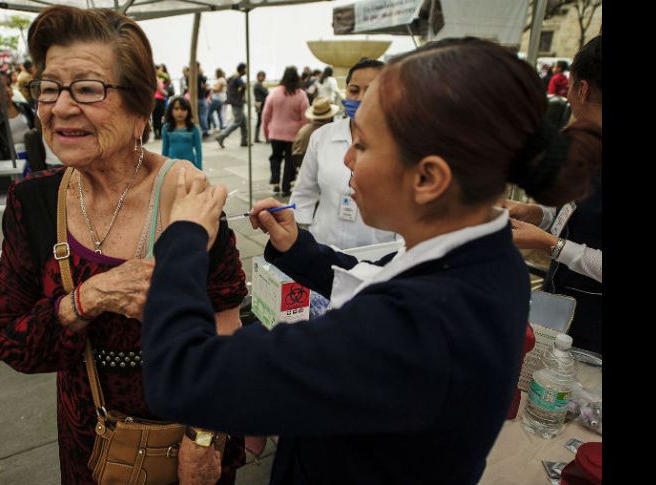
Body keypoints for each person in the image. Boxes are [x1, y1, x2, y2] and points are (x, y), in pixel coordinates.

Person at [139, 37, 602, 484]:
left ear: (427, 177)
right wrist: (299, 250)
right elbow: (379, 279)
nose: (346, 159)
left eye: (361, 144)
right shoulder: (484, 252)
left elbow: (182, 376)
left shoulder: (415, 330)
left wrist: (183, 237)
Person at [0, 6, 248, 485]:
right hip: (90, 444)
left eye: (87, 89)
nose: (60, 107)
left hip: (189, 442)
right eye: (49, 88)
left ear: (141, 106)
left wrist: (206, 439)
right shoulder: (33, 202)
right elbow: (9, 341)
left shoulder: (185, 196)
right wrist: (90, 298)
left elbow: (225, 331)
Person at [506, 35, 602, 353]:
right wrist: (538, 214)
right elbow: (575, 212)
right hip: (559, 316)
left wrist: (550, 244)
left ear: (581, 89)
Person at [290, 58, 399, 249]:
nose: (360, 98)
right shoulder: (322, 136)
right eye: (354, 90)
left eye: (371, 90)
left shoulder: (404, 143)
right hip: (324, 245)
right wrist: (302, 239)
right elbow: (304, 192)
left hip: (378, 252)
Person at [261, 66, 309, 196]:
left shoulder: (274, 93)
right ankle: (286, 187)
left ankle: (275, 181)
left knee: (275, 157)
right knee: (290, 161)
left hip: (275, 133)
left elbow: (266, 115)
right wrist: (303, 136)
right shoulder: (301, 95)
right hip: (293, 135)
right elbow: (306, 118)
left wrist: (266, 133)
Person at [0, 70, 36, 161]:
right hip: (9, 160)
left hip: (33, 156)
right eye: (1, 86)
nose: (7, 90)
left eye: (8, 85)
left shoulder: (24, 107)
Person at [290, 96, 337, 173]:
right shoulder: (332, 131)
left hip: (304, 168)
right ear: (329, 116)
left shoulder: (303, 130)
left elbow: (295, 151)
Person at [162, 96, 203, 170]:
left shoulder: (194, 128)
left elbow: (198, 151)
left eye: (183, 109)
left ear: (188, 111)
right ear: (171, 110)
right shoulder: (166, 128)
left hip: (190, 166)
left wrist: (199, 169)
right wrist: (162, 169)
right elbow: (164, 150)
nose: (180, 112)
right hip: (172, 167)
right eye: (176, 109)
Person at [216, 62, 248, 148]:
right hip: (237, 103)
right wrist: (242, 95)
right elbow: (244, 86)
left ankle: (244, 141)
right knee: (237, 122)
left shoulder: (233, 77)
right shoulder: (238, 78)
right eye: (245, 68)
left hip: (234, 102)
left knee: (244, 122)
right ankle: (221, 136)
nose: (246, 70)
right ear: (242, 69)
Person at [252, 70, 269, 143]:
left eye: (263, 76)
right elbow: (266, 93)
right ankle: (265, 138)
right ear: (258, 77)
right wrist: (266, 89)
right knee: (262, 120)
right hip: (260, 104)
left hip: (258, 104)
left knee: (260, 121)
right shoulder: (258, 85)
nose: (262, 78)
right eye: (261, 76)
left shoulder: (258, 84)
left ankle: (256, 138)